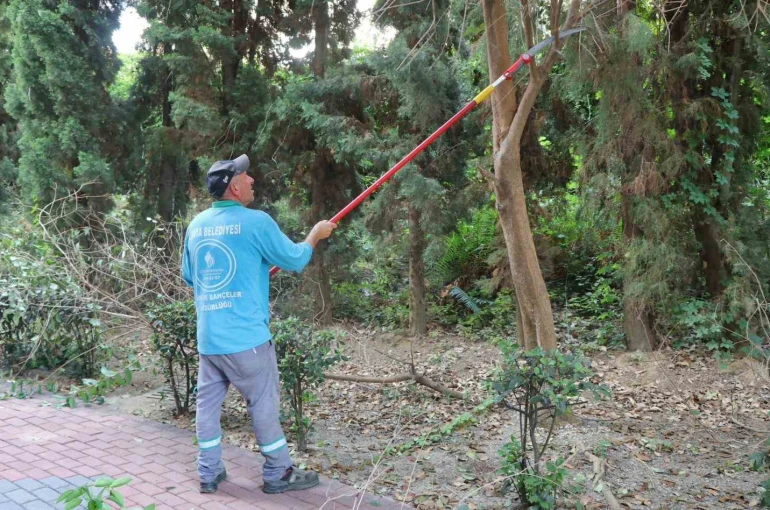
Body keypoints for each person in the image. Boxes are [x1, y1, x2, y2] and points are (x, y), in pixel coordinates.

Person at [181, 154, 337, 495]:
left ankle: (208, 473)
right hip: (247, 341)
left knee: (207, 406)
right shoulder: (257, 222)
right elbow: (295, 258)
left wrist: (245, 271)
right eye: (246, 177)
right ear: (234, 187)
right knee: (263, 404)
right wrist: (315, 234)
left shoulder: (196, 226)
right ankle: (279, 473)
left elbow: (192, 277)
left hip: (210, 340)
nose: (252, 180)